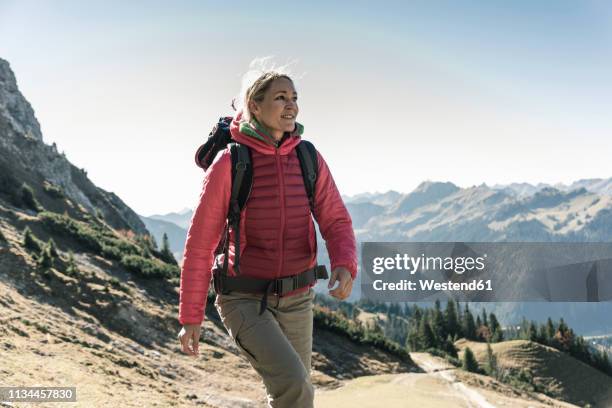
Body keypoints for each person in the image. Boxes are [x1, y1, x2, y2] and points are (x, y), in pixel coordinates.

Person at [177, 68, 358, 408]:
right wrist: (191, 317)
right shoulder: (230, 163)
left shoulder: (308, 157)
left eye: (294, 98)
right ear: (255, 107)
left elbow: (335, 219)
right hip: (243, 299)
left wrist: (345, 263)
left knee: (296, 395)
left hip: (298, 298)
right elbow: (200, 244)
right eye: (280, 98)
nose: (291, 106)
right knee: (294, 386)